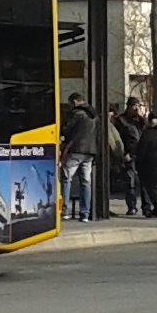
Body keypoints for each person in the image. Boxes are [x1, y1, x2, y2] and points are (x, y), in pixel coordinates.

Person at [60, 95, 100, 223]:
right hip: (90, 152)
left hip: (76, 150)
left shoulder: (77, 114)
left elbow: (66, 129)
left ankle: (64, 211)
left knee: (66, 179)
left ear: (75, 102)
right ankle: (85, 213)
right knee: (85, 182)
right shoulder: (94, 115)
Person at [113, 96, 146, 215]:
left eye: (138, 106)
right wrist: (124, 153)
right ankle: (131, 206)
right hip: (129, 153)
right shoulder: (121, 120)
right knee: (130, 181)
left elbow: (147, 131)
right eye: (134, 106)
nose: (136, 109)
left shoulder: (140, 121)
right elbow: (118, 138)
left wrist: (142, 117)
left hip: (142, 153)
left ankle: (146, 207)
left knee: (144, 181)